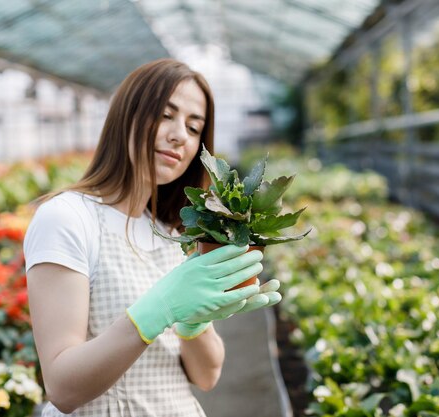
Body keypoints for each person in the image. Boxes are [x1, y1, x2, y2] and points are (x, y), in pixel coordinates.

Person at [23, 58, 282, 416]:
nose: (180, 135)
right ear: (126, 115)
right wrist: (157, 309)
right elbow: (63, 387)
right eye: (165, 115)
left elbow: (206, 376)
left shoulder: (169, 232)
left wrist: (194, 324)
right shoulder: (67, 218)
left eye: (194, 128)